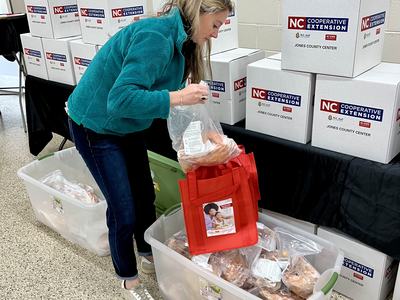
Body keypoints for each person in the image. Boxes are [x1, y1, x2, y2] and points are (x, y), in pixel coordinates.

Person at [67, 0, 234, 299]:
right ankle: (127, 278)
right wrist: (179, 97)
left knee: (145, 196)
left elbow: (170, 101)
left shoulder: (184, 43)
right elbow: (120, 100)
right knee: (124, 211)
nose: (216, 34)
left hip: (128, 126)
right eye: (216, 25)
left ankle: (146, 252)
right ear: (200, 14)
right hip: (95, 125)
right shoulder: (156, 37)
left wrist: (203, 134)